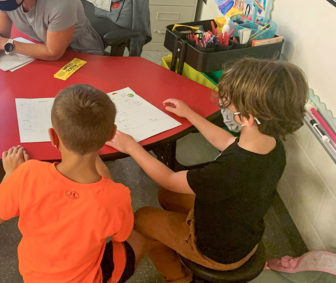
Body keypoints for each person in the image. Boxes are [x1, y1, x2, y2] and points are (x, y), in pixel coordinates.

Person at [107, 58, 308, 283]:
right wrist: (191, 115)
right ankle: (178, 237)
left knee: (142, 218)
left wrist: (130, 146)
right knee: (168, 198)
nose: (226, 107)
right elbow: (227, 142)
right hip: (242, 233)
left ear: (248, 118)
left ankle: (178, 278)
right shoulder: (271, 145)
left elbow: (169, 179)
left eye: (230, 104)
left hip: (217, 253)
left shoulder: (225, 172)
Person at [0, 84, 144, 282]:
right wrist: (91, 142)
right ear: (111, 134)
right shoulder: (116, 195)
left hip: (34, 278)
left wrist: (10, 173)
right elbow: (122, 235)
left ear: (52, 136)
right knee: (140, 238)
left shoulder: (28, 173)